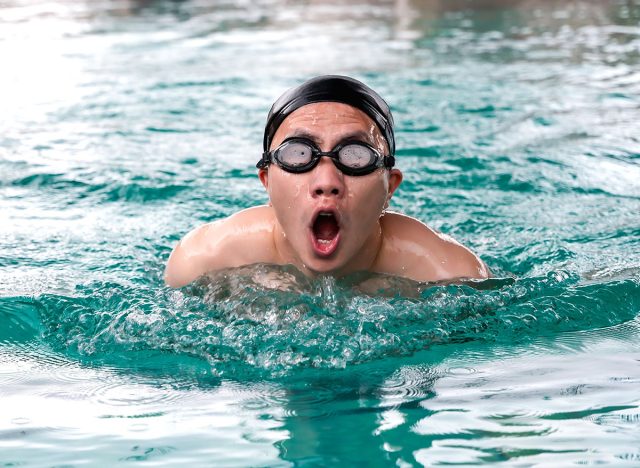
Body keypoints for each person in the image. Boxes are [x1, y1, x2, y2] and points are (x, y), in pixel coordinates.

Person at [165, 75, 489, 288]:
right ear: (266, 180)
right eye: (298, 155)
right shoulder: (202, 261)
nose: (326, 182)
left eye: (355, 156)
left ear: (389, 187)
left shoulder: (448, 273)